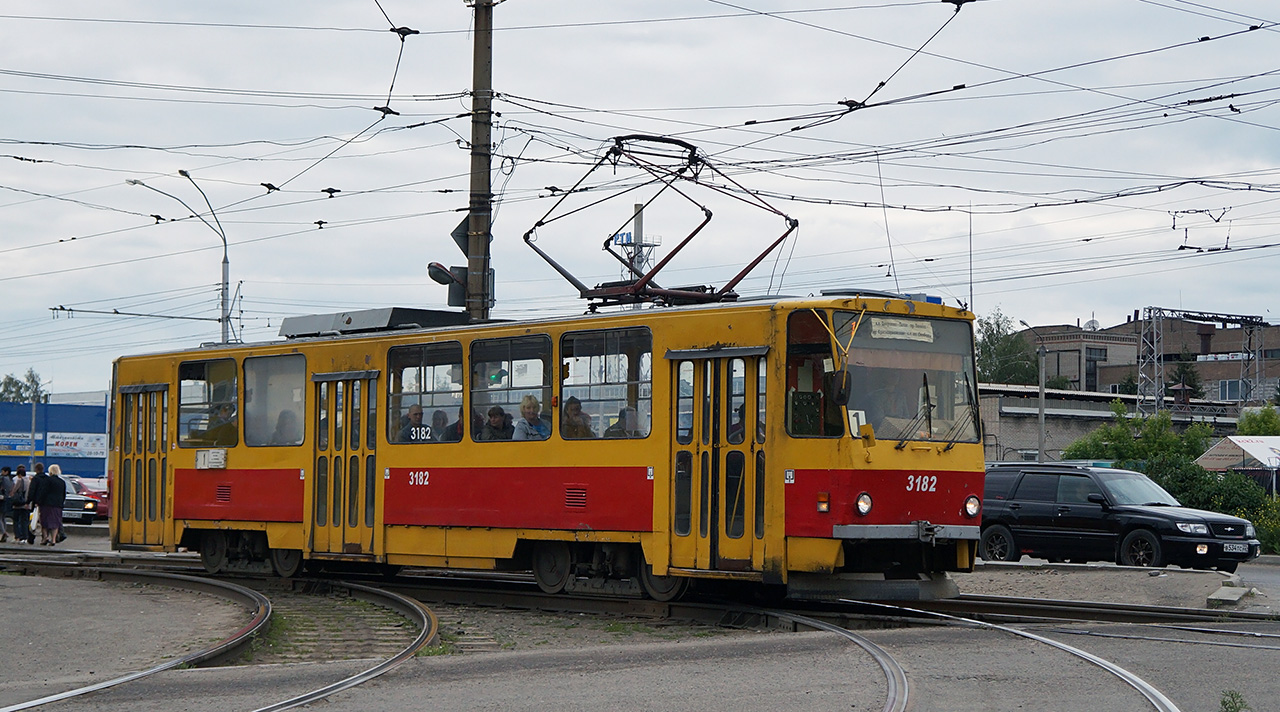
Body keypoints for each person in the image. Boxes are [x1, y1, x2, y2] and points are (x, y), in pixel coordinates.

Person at [41, 464, 66, 546]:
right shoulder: (62, 482)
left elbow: (43, 492)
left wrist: (39, 501)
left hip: (46, 504)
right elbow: (63, 495)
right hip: (58, 505)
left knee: (45, 521)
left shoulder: (47, 480)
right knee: (55, 522)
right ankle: (54, 539)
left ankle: (45, 538)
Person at [9, 466, 30, 545]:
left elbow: (13, 491)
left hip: (18, 505)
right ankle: (25, 537)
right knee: (25, 521)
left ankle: (18, 536)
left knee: (16, 521)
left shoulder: (19, 480)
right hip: (26, 504)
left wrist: (11, 495)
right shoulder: (29, 480)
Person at [0, 466, 12, 543]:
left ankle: (4, 532)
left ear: (6, 472)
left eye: (2, 471)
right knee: (3, 517)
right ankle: (4, 531)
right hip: (7, 500)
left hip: (1, 500)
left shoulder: (2, 479)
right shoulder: (11, 480)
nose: (1, 472)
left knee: (0, 517)